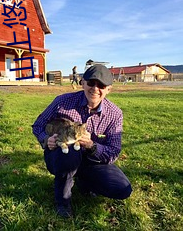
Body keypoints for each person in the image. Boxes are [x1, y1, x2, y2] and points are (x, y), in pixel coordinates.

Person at [32, 64, 132, 218]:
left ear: (109, 89)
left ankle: (83, 181)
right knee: (70, 151)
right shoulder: (62, 102)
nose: (95, 89)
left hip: (92, 160)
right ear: (82, 83)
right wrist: (46, 140)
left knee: (122, 188)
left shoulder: (115, 114)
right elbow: (38, 124)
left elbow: (113, 152)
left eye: (101, 85)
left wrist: (92, 146)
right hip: (61, 155)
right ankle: (63, 201)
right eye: (91, 83)